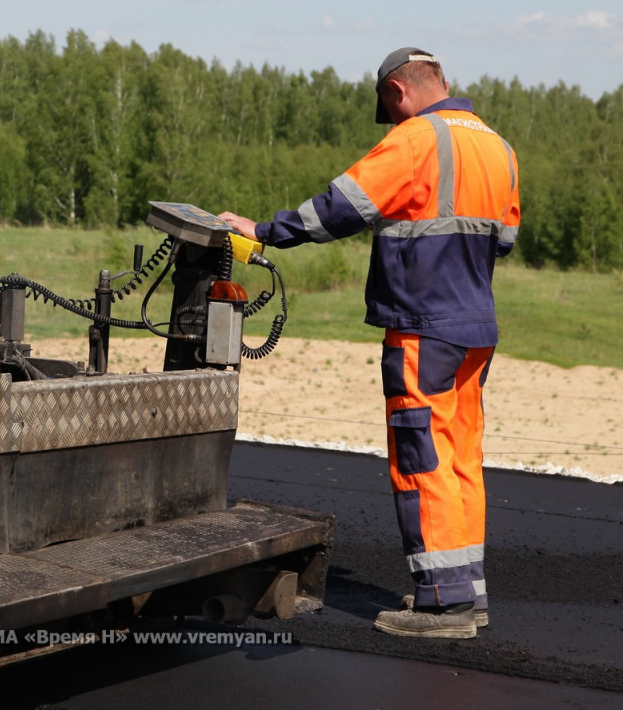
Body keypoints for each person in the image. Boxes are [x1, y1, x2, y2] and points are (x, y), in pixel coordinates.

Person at [220, 47, 520, 640]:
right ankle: (465, 593)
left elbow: (339, 208)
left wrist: (261, 232)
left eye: (389, 109)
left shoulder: (414, 140)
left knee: (422, 456)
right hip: (475, 330)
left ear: (397, 92)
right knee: (460, 458)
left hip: (421, 327)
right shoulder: (498, 146)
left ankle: (442, 607)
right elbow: (504, 239)